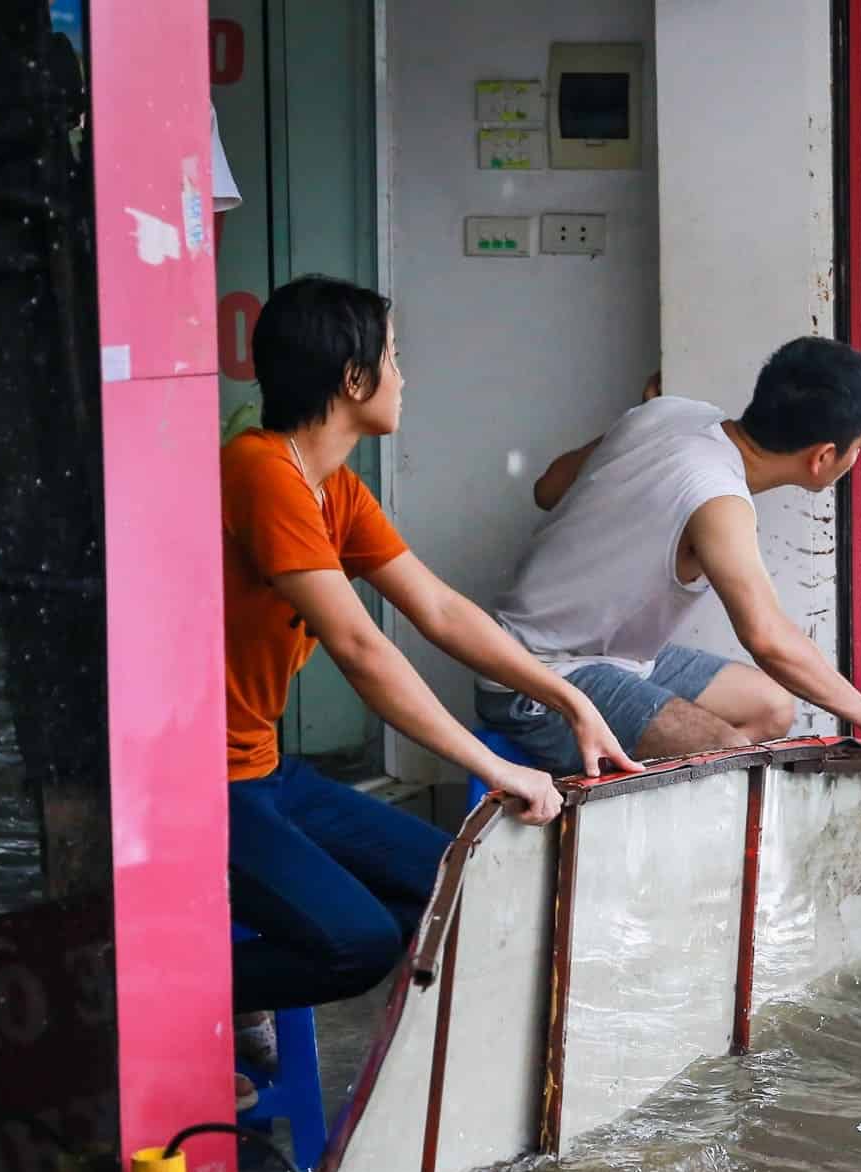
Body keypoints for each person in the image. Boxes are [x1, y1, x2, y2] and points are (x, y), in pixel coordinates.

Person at [222, 276, 638, 1100]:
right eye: (396, 357)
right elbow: (361, 647)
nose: (405, 377)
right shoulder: (261, 472)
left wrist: (572, 700)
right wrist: (500, 768)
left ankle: (438, 1101)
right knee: (359, 942)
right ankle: (186, 996)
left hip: (264, 770)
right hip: (207, 789)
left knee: (463, 875)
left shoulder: (331, 486)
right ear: (352, 378)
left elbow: (441, 609)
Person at [478, 337, 861, 772]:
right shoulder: (718, 500)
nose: (858, 461)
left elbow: (548, 488)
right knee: (728, 754)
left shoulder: (668, 414)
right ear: (823, 457)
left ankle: (642, 786)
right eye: (860, 449)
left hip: (608, 654)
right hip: (534, 679)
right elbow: (768, 639)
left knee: (771, 708)